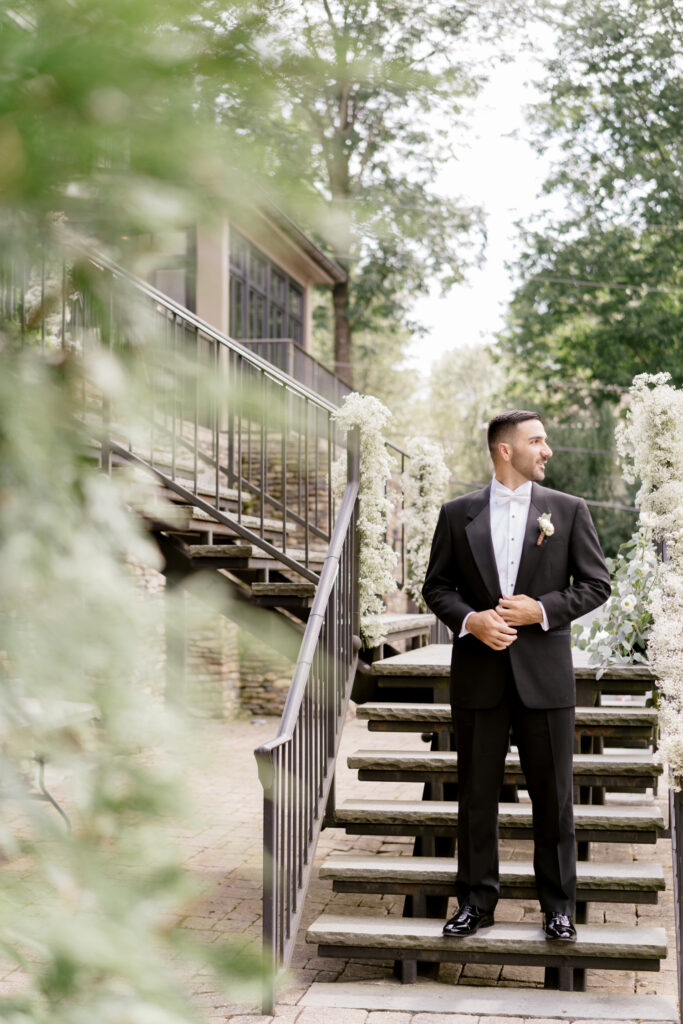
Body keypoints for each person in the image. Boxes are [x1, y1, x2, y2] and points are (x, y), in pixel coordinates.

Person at [422, 410, 611, 941]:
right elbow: (436, 587)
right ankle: (476, 902)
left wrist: (542, 610)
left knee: (553, 798)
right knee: (476, 797)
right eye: (537, 441)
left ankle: (559, 907)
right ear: (505, 450)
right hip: (479, 677)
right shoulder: (457, 513)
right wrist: (470, 620)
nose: (547, 450)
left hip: (545, 678)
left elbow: (596, 585)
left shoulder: (568, 511)